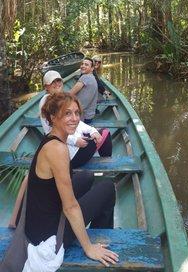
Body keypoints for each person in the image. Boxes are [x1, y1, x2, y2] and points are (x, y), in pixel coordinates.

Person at [24, 92, 119, 267]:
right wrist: (89, 248)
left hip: (38, 223)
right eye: (67, 113)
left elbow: (29, 183)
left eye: (76, 113)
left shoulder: (49, 139)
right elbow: (70, 206)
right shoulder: (58, 149)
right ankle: (97, 242)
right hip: (49, 236)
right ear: (53, 117)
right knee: (107, 188)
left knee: (86, 176)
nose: (74, 118)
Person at [39, 70, 112, 167]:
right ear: (46, 86)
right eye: (53, 82)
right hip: (70, 156)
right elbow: (51, 132)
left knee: (96, 133)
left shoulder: (61, 99)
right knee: (105, 133)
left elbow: (77, 122)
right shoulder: (46, 102)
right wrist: (75, 141)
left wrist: (92, 131)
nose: (57, 84)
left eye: (58, 81)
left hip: (72, 143)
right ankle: (107, 166)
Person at [70, 57, 98, 124]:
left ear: (92, 68)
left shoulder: (85, 77)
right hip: (90, 116)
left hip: (83, 117)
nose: (83, 66)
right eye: (82, 64)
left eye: (86, 64)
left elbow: (70, 94)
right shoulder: (92, 77)